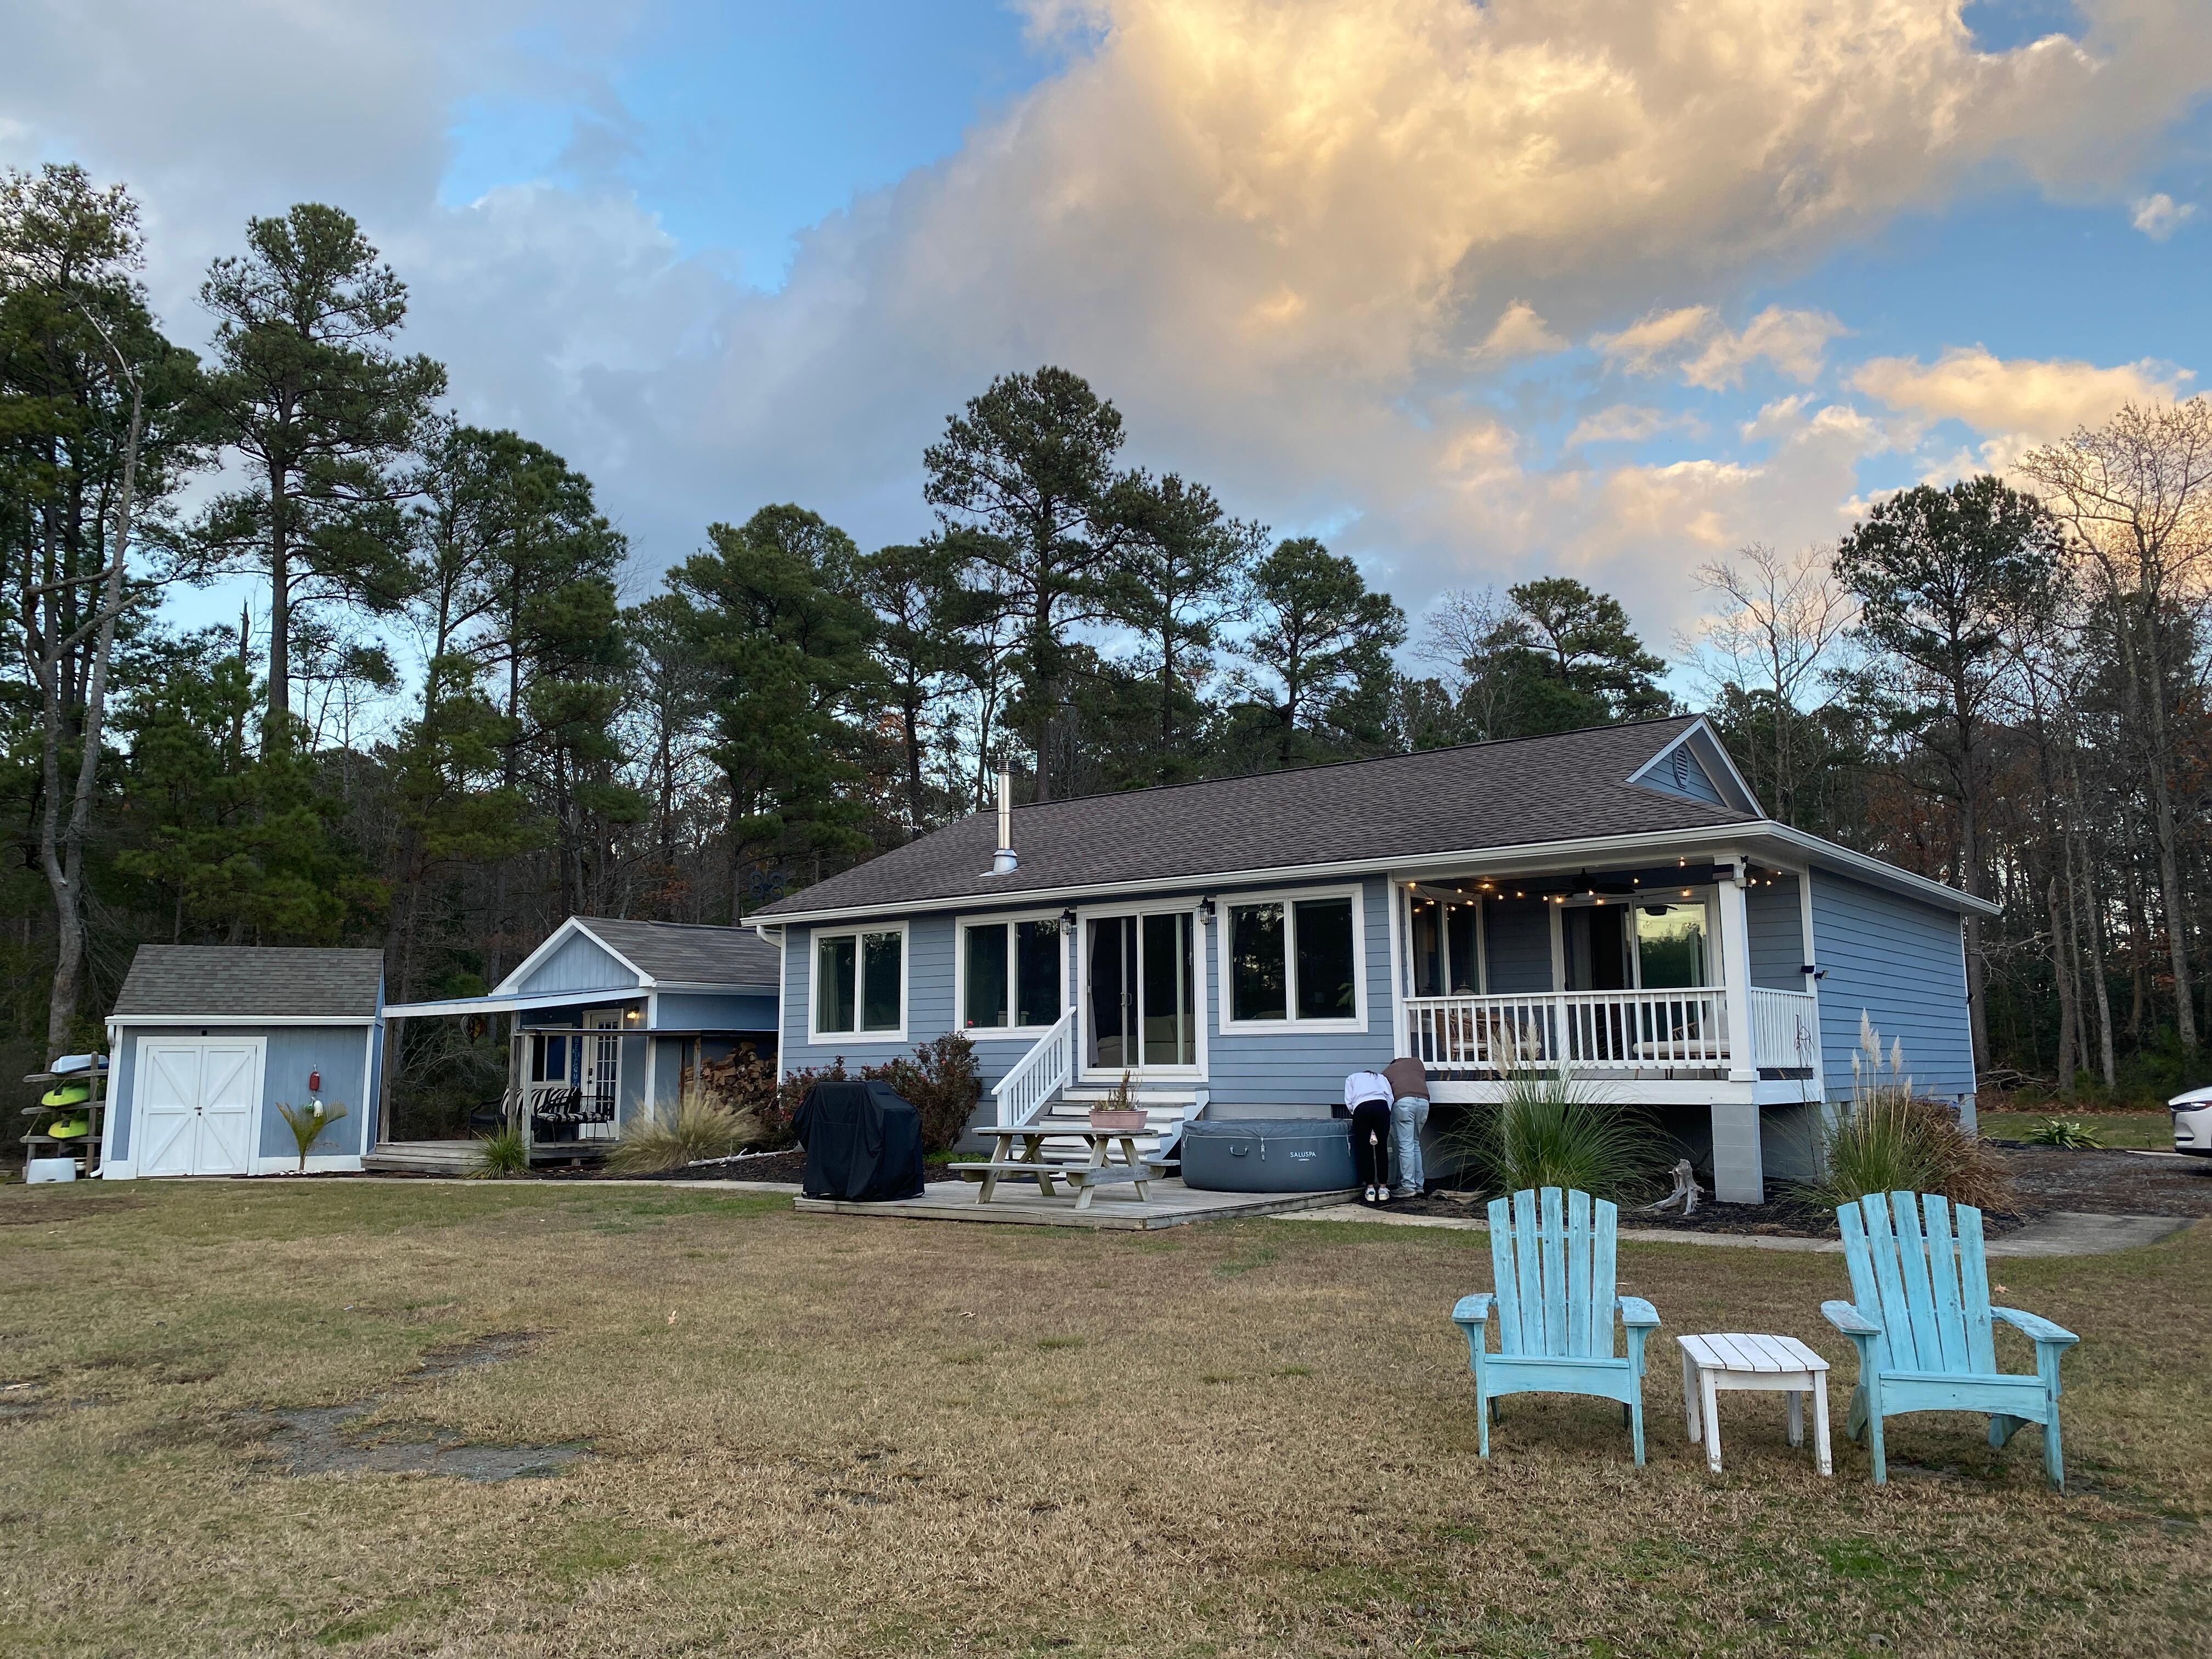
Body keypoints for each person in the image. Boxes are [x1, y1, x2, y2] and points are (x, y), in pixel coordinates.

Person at [1343, 1069, 1395, 1204]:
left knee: (1365, 1149)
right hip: (1381, 1106)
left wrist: (1356, 1113)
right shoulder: (1381, 1078)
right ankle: (1383, 1189)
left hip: (1362, 1107)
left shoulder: (1352, 1077)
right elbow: (1390, 1097)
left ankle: (1370, 1189)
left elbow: (1349, 1101)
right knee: (1382, 1147)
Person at [1385, 1054, 1430, 1199]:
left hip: (1404, 1103)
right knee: (1415, 1144)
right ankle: (1419, 1186)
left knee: (1406, 1146)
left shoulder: (1388, 1072)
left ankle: (1408, 1187)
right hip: (1424, 1103)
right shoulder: (1418, 1065)